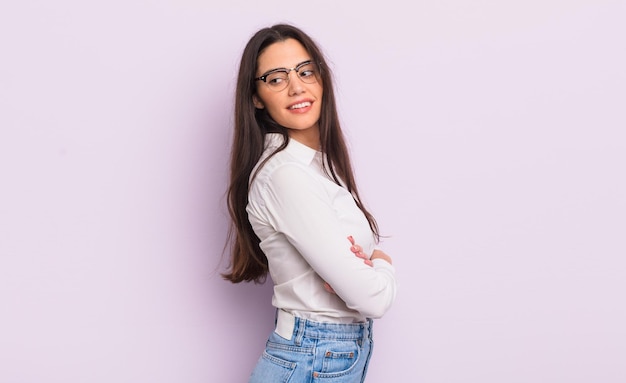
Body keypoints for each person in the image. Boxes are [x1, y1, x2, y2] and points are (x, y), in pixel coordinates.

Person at [223, 23, 397, 382]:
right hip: (314, 355)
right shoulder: (286, 174)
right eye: (275, 78)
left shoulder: (314, 165)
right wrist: (382, 265)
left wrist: (357, 273)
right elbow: (373, 298)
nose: (297, 86)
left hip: (322, 354)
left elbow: (357, 284)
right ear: (256, 97)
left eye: (306, 71)